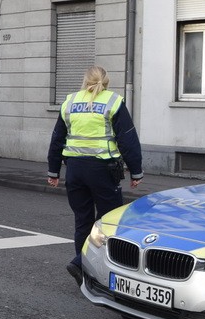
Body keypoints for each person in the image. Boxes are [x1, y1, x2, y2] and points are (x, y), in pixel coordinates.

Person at [46, 65, 143, 286]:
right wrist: (136, 171)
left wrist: (53, 171)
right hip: (102, 171)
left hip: (75, 170)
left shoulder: (70, 101)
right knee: (109, 222)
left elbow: (57, 138)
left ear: (85, 80)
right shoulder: (113, 101)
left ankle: (85, 273)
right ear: (106, 81)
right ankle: (83, 264)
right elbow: (128, 140)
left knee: (83, 221)